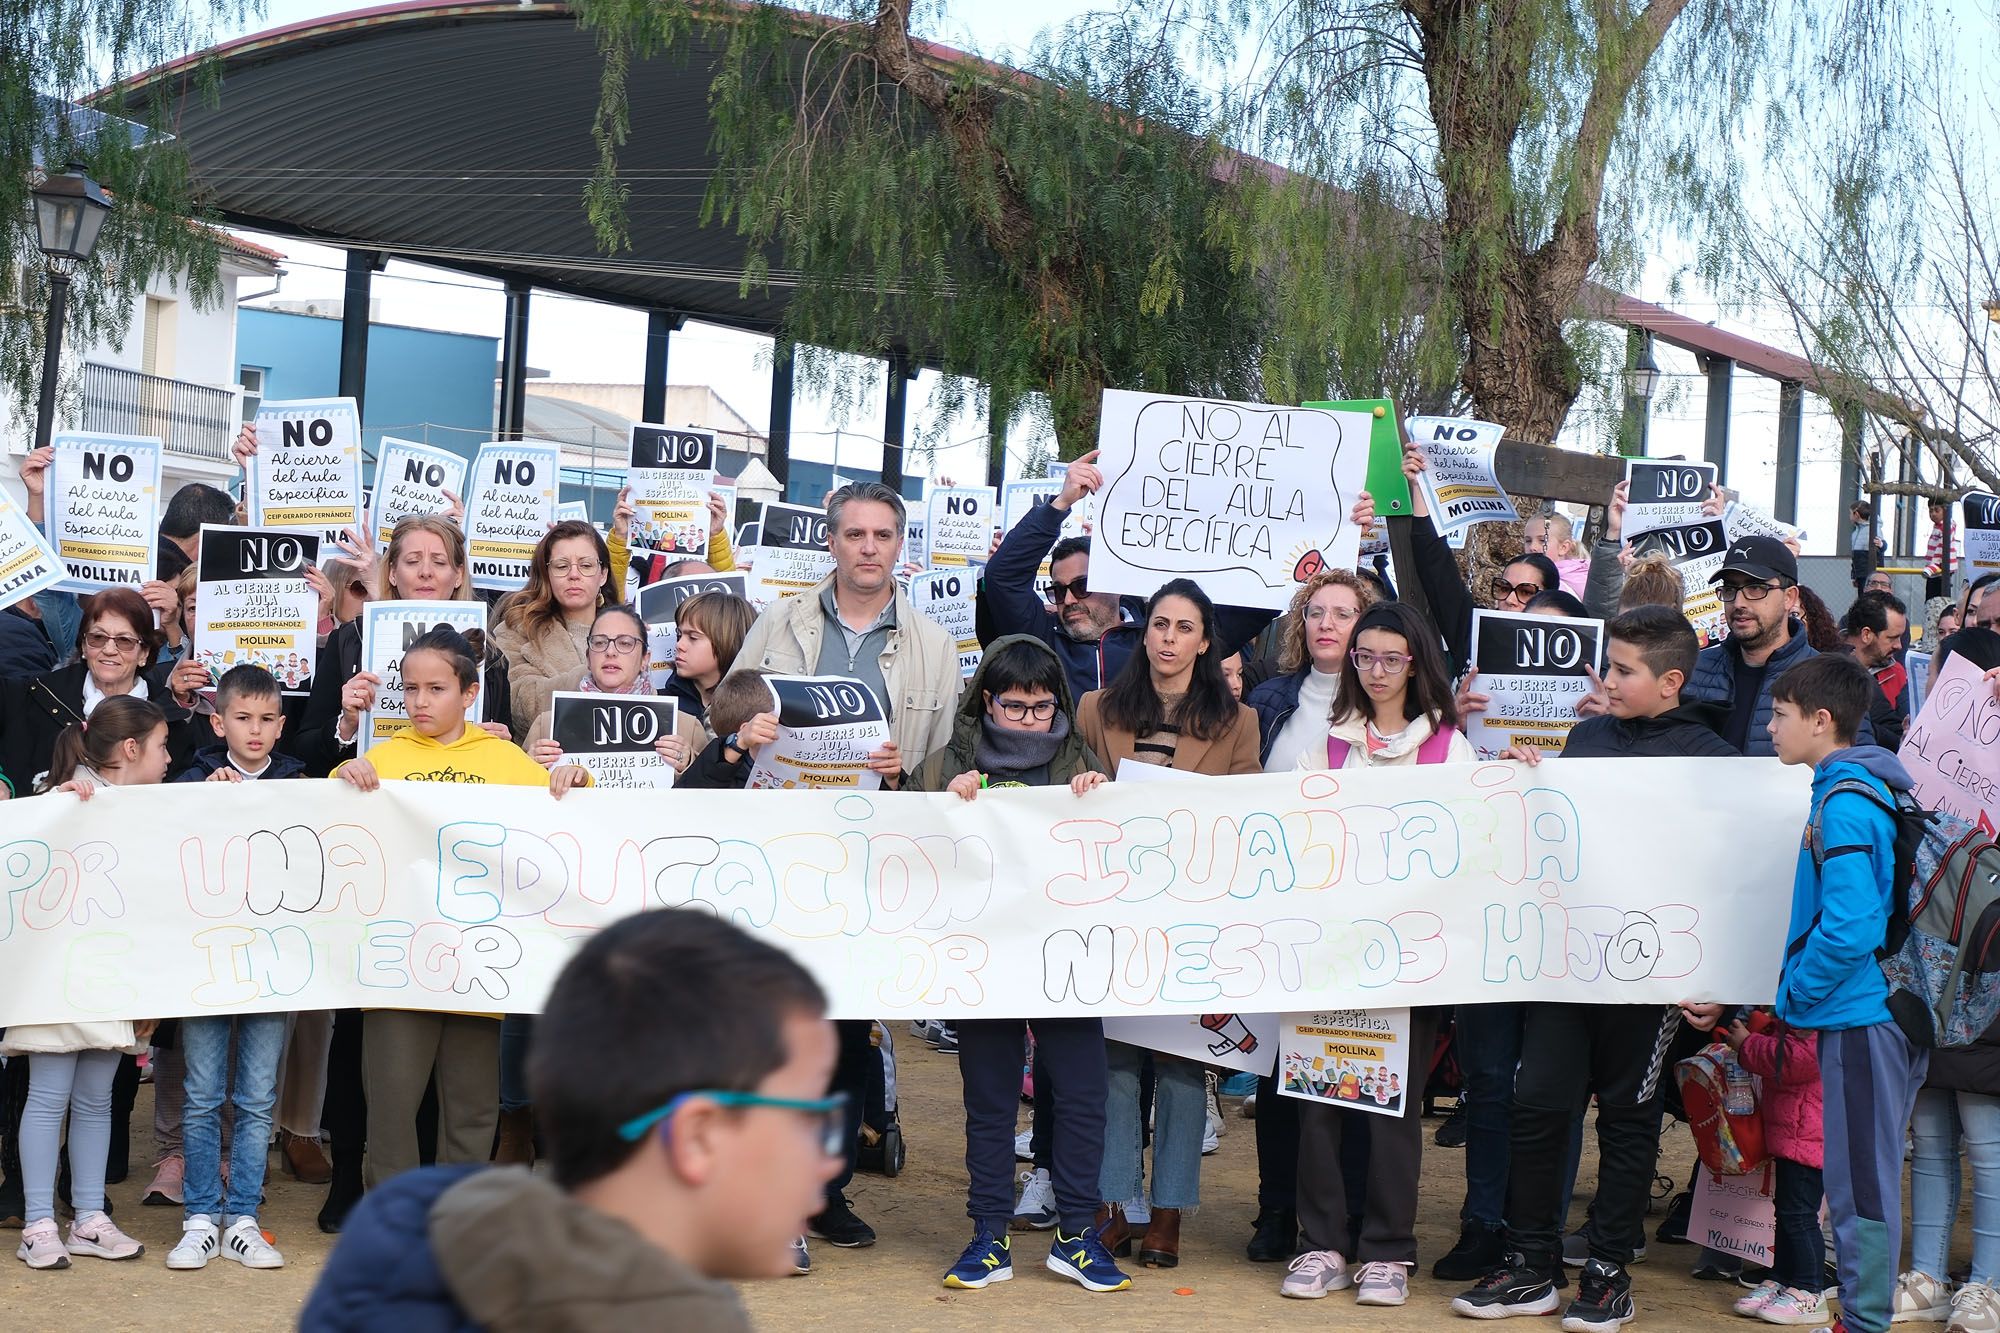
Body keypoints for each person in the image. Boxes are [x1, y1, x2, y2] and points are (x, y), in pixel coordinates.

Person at [300, 908, 839, 1331]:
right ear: (697, 1135)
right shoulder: (689, 1317)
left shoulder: (399, 1223)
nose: (828, 1163)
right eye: (806, 1122)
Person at [1451, 605, 1735, 1329]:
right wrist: (1525, 782)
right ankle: (1530, 1264)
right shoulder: (1584, 737)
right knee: (1539, 1107)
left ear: (1671, 680)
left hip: (1652, 978)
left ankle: (1608, 1270)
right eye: (1609, 663)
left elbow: (1728, 875)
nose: (1605, 678)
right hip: (1567, 965)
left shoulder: (1710, 756)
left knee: (1629, 1120)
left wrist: (1717, 976)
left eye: (1622, 669)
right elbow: (1559, 837)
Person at [733, 480, 960, 1252]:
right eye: (855, 533)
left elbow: (949, 767)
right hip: (779, 852)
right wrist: (747, 719)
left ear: (902, 545)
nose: (868, 547)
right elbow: (726, 702)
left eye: (883, 535)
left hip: (872, 863)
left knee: (843, 1032)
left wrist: (907, 770)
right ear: (830, 541)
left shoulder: (932, 644)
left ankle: (826, 1191)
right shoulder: (781, 620)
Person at [910, 636, 1130, 1293]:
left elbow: (1114, 845)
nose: (1029, 719)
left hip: (1065, 955)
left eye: (1041, 707)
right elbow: (904, 830)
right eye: (1014, 706)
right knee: (991, 1098)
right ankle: (988, 1235)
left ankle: (1077, 1237)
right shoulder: (951, 758)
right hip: (984, 956)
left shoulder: (1077, 759)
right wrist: (939, 800)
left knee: (1085, 1093)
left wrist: (1099, 795)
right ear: (988, 701)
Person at [332, 626, 585, 1195]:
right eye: (411, 689)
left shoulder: (504, 759)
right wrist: (342, 775)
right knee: (392, 1108)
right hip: (399, 964)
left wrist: (575, 778)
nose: (420, 702)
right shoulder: (384, 756)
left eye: (436, 689)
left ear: (469, 694)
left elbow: (561, 811)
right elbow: (332, 822)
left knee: (471, 1112)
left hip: (479, 963)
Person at [1280, 600, 1466, 1309]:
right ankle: (1321, 1241)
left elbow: (1470, 846)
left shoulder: (1450, 747)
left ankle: (1387, 1250)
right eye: (1366, 656)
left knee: (1393, 1108)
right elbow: (1296, 838)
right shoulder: (1327, 741)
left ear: (1416, 662)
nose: (1378, 670)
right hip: (1330, 950)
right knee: (1319, 1100)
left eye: (1392, 657)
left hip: (1410, 958)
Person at [1073, 578, 1260, 1270]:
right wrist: (1082, 786)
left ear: (1206, 640)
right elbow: (1067, 792)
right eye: (1159, 624)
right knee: (1114, 1061)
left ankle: (1170, 1212)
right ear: (1142, 631)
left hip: (1193, 917)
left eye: (1185, 627)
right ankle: (1116, 1204)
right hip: (1113, 911)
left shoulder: (1238, 722)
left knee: (1184, 1066)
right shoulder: (1096, 708)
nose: (1169, 638)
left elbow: (1245, 825)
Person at [1768, 653, 1927, 1333]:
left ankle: (1862, 1322)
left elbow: (1852, 924)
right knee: (1866, 1174)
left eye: (1780, 714)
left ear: (1820, 719)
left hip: (1864, 1014)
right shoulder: (1855, 788)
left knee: (1860, 1182)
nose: (1770, 727)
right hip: (1876, 1011)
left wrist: (1797, 993)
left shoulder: (1845, 799)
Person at [1242, 568, 1378, 1263]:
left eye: (1344, 612)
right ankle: (1277, 1211)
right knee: (1276, 1074)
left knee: (1347, 1068)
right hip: (1279, 918)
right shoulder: (1269, 699)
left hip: (1356, 922)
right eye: (1315, 611)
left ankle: (1345, 1216)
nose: (1328, 623)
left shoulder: (1392, 706)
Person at [7, 695, 167, 1270]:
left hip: (113, 975)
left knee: (98, 1100)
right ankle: (38, 1223)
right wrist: (53, 808)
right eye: (162, 746)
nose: (170, 758)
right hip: (54, 975)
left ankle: (90, 1217)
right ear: (131, 749)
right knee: (48, 1096)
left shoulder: (151, 811)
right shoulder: (61, 802)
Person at [158, 665, 300, 1271]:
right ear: (219, 722)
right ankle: (198, 1218)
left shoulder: (299, 782)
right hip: (208, 960)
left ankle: (242, 1215)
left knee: (258, 1097)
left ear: (281, 724)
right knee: (201, 1093)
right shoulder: (192, 778)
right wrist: (200, 802)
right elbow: (163, 845)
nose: (255, 729)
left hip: (273, 961)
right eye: (242, 717)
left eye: (267, 719)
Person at [981, 450, 1279, 699]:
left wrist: (1293, 551)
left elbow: (1255, 602)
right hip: (1069, 770)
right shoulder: (1042, 640)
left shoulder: (1164, 635)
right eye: (1058, 591)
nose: (1069, 599)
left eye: (1082, 585)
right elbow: (1002, 578)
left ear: (1113, 581)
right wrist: (1060, 504)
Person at [295, 514, 516, 775]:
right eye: (412, 561)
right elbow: (302, 755)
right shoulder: (351, 639)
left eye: (439, 562)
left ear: (457, 575)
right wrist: (346, 725)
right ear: (391, 574)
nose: (425, 572)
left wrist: (503, 744)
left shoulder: (488, 657)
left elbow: (510, 768)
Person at [0, 586, 204, 794]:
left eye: (124, 641)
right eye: (98, 638)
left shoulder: (172, 719)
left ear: (144, 653)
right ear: (84, 646)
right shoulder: (36, 695)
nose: (109, 650)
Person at [1722, 1012, 1829, 1325]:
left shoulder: (1820, 1019)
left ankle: (1810, 1288)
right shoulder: (1800, 1011)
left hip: (1808, 1133)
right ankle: (1782, 1276)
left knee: (1800, 1215)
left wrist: (1749, 1045)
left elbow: (1797, 1060)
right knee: (1785, 1211)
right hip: (1792, 1130)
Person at [527, 604, 703, 778]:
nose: (610, 652)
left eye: (625, 643)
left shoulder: (685, 727)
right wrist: (529, 765)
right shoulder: (547, 726)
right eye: (600, 642)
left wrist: (689, 763)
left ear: (645, 659)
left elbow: (713, 794)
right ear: (588, 657)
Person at [1685, 536, 1820, 757]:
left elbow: (1849, 770)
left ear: (1789, 597)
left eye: (1756, 588)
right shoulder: (1695, 670)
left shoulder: (1826, 679)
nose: (1738, 603)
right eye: (1730, 589)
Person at [491, 519, 617, 741]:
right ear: (546, 573)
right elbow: (521, 705)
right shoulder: (515, 630)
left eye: (586, 565)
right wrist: (594, 672)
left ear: (603, 574)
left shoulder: (628, 632)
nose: (574, 575)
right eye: (561, 566)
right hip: (545, 765)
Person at [662, 590, 757, 730]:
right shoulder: (661, 705)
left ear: (728, 641)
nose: (679, 645)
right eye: (679, 635)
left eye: (693, 637)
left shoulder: (758, 711)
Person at [1840, 590, 1910, 746]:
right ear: (1866, 635)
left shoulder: (1893, 671)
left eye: (1901, 637)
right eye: (1892, 638)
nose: (1899, 645)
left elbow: (1891, 729)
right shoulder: (1826, 669)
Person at [1522, 510, 1588, 598]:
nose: (1532, 547)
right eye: (1528, 541)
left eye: (1542, 541)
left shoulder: (1563, 583)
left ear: (1563, 547)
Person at [1925, 498, 1959, 602]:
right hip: (1935, 568)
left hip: (1939, 567)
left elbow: (1942, 547)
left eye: (1936, 510)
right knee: (1931, 598)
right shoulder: (1938, 526)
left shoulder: (1947, 525)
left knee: (1935, 599)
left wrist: (1934, 565)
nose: (1933, 514)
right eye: (1931, 511)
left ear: (1945, 511)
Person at [1850, 501, 1884, 591]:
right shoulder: (1856, 532)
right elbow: (1854, 556)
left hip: (1870, 571)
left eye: (1850, 513)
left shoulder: (1873, 528)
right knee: (1862, 596)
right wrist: (1854, 575)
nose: (1849, 516)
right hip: (1860, 572)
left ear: (1856, 514)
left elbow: (1882, 545)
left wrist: (1881, 544)